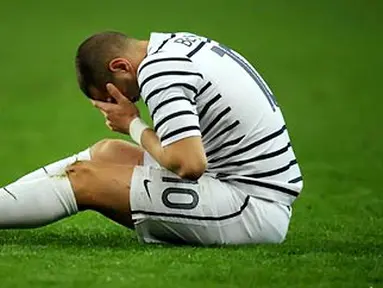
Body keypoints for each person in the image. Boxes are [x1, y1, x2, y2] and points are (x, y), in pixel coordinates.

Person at [0, 31, 303, 245]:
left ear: (120, 67)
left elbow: (189, 164)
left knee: (86, 179)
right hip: (243, 188)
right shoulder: (176, 44)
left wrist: (132, 123)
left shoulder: (159, 70)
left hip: (251, 208)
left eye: (119, 93)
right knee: (107, 152)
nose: (133, 98)